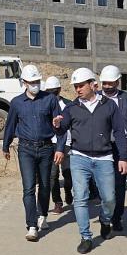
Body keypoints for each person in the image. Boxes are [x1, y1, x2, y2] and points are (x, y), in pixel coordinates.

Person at [53, 68, 127, 254]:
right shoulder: (71, 108)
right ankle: (85, 237)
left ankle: (105, 219)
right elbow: (62, 129)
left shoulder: (109, 106)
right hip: (80, 157)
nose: (78, 89)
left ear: (92, 85)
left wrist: (124, 158)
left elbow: (119, 132)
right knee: (80, 197)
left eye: (81, 86)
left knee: (110, 198)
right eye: (76, 86)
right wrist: (57, 125)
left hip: (104, 158)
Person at [2, 64, 59, 242]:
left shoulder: (50, 100)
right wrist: (5, 146)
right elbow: (10, 125)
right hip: (25, 149)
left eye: (37, 81)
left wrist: (60, 147)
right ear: (24, 83)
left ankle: (43, 214)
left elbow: (60, 125)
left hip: (46, 148)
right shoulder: (17, 103)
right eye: (31, 82)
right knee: (28, 188)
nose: (35, 84)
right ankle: (32, 226)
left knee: (44, 185)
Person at [98, 65, 127, 232]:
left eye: (111, 83)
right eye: (105, 83)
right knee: (103, 185)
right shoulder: (96, 98)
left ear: (117, 82)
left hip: (121, 146)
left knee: (119, 184)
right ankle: (105, 215)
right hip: (101, 147)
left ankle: (117, 217)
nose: (107, 87)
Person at [45, 76, 72, 214]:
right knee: (52, 175)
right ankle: (58, 202)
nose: (52, 94)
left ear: (59, 90)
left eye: (54, 91)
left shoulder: (68, 104)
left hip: (66, 143)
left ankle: (68, 190)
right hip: (51, 144)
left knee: (67, 173)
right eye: (49, 92)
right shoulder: (43, 104)